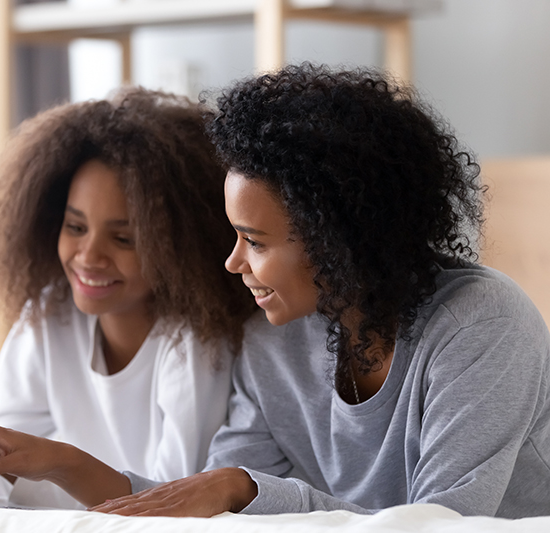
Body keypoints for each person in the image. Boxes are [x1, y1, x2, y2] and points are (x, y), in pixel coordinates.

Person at [89, 63, 550, 518]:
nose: (233, 263)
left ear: (337, 241)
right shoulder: (270, 342)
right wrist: (62, 465)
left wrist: (248, 491)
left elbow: (444, 524)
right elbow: (212, 504)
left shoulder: (481, 325)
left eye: (254, 241)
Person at [0, 87, 257, 509]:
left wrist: (58, 466)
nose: (89, 257)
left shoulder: (195, 341)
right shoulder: (50, 313)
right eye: (75, 227)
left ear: (178, 245)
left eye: (123, 238)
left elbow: (174, 500)